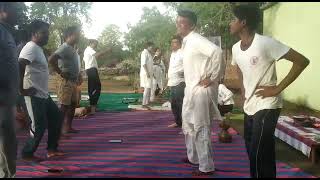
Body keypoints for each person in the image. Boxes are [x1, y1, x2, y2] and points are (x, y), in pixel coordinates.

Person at [230, 4, 310, 178]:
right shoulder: (236, 48)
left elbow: (302, 61)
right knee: (259, 151)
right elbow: (238, 68)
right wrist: (243, 89)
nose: (230, 23)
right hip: (249, 104)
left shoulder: (266, 43)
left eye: (233, 19)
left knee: (257, 153)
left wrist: (277, 88)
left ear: (243, 22)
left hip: (268, 105)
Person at [176, 9, 223, 176]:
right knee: (188, 124)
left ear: (192, 25)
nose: (178, 24)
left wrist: (212, 76)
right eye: (178, 21)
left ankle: (206, 167)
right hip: (191, 88)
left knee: (201, 127)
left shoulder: (196, 39)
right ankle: (193, 157)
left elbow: (217, 52)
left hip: (201, 90)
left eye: (182, 22)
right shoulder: (187, 41)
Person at [19, 20, 66, 162]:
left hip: (43, 95)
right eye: (44, 33)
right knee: (38, 125)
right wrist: (21, 89)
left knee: (56, 118)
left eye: (48, 33)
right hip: (32, 95)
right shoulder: (30, 48)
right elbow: (20, 65)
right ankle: (27, 154)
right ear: (34, 34)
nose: (47, 36)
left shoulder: (38, 49)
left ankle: (51, 149)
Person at [48, 26, 81, 135]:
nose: (78, 36)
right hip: (65, 81)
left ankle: (67, 127)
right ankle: (57, 130)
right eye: (76, 34)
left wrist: (78, 75)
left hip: (73, 80)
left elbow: (74, 64)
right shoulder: (65, 47)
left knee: (72, 105)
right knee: (63, 106)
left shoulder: (72, 49)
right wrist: (60, 72)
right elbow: (52, 59)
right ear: (68, 36)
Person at [0, 2, 19, 177]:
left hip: (7, 98)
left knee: (8, 143)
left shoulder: (6, 32)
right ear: (3, 11)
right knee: (6, 143)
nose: (18, 13)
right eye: (15, 9)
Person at [83, 39, 112, 114]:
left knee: (93, 87)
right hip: (91, 70)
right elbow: (97, 55)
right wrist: (106, 50)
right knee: (95, 87)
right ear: (91, 43)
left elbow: (85, 61)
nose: (96, 46)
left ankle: (93, 106)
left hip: (91, 70)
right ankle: (93, 107)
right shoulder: (89, 49)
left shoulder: (87, 51)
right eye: (95, 44)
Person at [167, 35, 185, 128]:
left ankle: (185, 123)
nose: (172, 44)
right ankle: (178, 122)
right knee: (174, 104)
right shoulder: (172, 54)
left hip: (180, 82)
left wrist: (184, 73)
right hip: (172, 82)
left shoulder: (183, 53)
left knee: (180, 103)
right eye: (172, 42)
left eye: (175, 42)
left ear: (180, 44)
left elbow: (188, 65)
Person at [140, 41, 155, 109]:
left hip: (149, 73)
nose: (152, 48)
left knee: (148, 88)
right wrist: (147, 73)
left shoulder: (148, 53)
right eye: (151, 46)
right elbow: (144, 64)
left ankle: (146, 103)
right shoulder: (144, 53)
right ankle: (144, 103)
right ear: (148, 46)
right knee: (147, 88)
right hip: (146, 73)